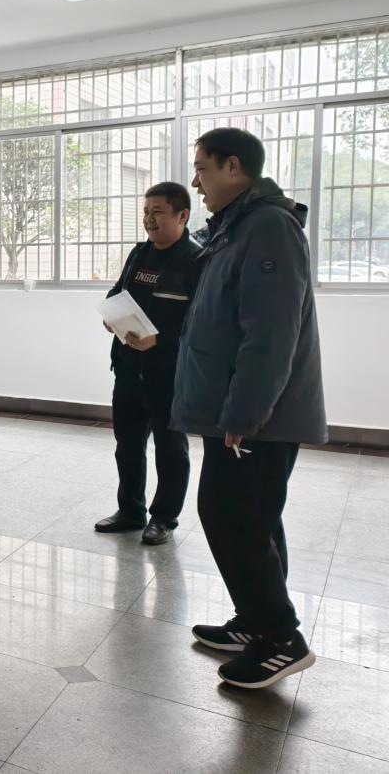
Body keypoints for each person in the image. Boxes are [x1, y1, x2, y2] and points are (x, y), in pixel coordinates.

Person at [172, 127, 326, 689]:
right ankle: (255, 621)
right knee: (251, 518)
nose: (196, 181)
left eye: (202, 168)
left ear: (233, 167)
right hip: (235, 411)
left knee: (231, 515)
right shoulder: (235, 228)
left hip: (256, 417)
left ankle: (281, 639)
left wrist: (245, 412)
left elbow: (270, 334)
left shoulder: (267, 227)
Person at [94, 182, 202, 546]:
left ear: (182, 215)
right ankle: (131, 511)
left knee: (170, 450)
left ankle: (164, 518)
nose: (149, 219)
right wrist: (111, 315)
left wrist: (161, 339)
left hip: (168, 373)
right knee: (127, 445)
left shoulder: (196, 260)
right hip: (128, 368)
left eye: (158, 212)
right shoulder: (140, 253)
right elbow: (118, 292)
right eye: (146, 212)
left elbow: (200, 320)